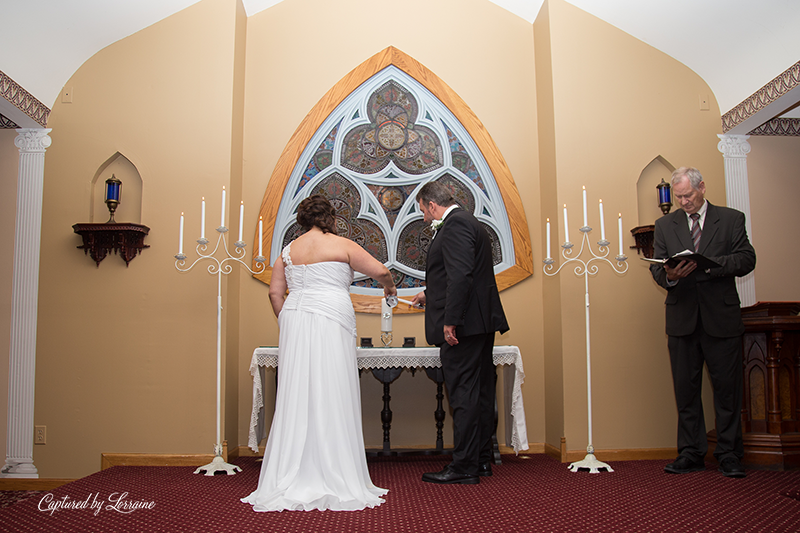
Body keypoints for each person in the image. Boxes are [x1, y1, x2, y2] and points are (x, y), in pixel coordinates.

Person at [242, 195, 396, 511]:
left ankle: (288, 473)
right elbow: (381, 271)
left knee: (296, 392)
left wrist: (288, 322)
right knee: (332, 388)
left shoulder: (288, 252)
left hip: (295, 318)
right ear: (330, 218)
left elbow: (274, 293)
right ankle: (336, 471)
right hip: (332, 318)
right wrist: (390, 290)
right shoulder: (343, 245)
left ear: (302, 219)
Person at [650, 167, 756, 478]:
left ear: (702, 188)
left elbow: (746, 259)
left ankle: (729, 454)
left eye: (688, 195)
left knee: (727, 392)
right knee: (686, 392)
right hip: (682, 319)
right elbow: (658, 268)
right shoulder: (664, 225)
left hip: (721, 319)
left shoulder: (732, 219)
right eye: (679, 196)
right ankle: (690, 453)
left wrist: (710, 267)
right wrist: (669, 275)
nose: (683, 202)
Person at [411, 181, 509, 485]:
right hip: (479, 322)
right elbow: (465, 274)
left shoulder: (453, 226)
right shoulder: (471, 222)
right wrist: (431, 294)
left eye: (423, 212)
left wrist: (450, 320)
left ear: (431, 204)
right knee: (479, 393)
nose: (425, 219)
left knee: (463, 393)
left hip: (463, 326)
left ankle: (464, 466)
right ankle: (480, 461)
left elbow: (461, 274)